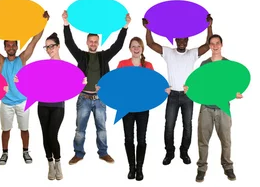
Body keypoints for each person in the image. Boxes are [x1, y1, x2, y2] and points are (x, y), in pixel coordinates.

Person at [0, 11, 48, 165]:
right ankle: (4, 153)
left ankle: (25, 152)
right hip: (6, 103)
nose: (10, 47)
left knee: (24, 130)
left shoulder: (22, 59)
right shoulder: (1, 61)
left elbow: (34, 42)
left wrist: (44, 22)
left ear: (16, 46)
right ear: (5, 47)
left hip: (22, 101)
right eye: (8, 45)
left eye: (13, 44)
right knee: (6, 130)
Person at [142, 14, 212, 165]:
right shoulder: (168, 52)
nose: (182, 42)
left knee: (187, 126)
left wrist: (209, 26)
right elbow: (150, 43)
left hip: (188, 96)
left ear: (187, 41)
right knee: (169, 126)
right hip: (173, 95)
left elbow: (208, 45)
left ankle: (184, 152)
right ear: (175, 41)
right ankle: (169, 152)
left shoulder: (192, 53)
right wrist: (147, 28)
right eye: (179, 40)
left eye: (184, 40)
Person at [62, 10, 130, 165]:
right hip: (84, 98)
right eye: (90, 41)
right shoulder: (81, 56)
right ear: (87, 42)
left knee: (102, 129)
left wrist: (125, 26)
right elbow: (69, 43)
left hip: (100, 99)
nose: (93, 44)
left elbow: (118, 45)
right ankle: (78, 153)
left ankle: (103, 153)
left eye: (95, 41)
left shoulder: (103, 56)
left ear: (98, 43)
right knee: (80, 130)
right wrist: (66, 23)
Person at [184, 34, 238, 183]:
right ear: (209, 46)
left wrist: (236, 93)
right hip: (206, 108)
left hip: (223, 108)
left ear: (221, 44)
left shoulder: (228, 64)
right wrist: (190, 89)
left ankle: (227, 166)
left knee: (226, 141)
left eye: (217, 43)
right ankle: (201, 168)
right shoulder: (204, 64)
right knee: (203, 140)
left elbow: (232, 85)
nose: (215, 46)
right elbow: (200, 85)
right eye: (212, 43)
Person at [116, 37, 154, 181]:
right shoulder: (122, 64)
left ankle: (140, 168)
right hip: (126, 107)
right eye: (133, 46)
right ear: (130, 48)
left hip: (143, 108)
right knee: (129, 138)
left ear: (142, 48)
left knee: (142, 139)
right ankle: (131, 167)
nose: (136, 48)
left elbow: (153, 86)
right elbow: (115, 83)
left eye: (138, 46)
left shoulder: (148, 65)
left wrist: (164, 89)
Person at [38, 32, 65, 180]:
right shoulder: (43, 66)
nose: (49, 49)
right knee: (45, 135)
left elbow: (71, 85)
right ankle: (50, 164)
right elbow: (34, 84)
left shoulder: (67, 67)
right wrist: (20, 80)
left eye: (51, 46)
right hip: (42, 104)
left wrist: (82, 82)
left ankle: (58, 163)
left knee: (52, 135)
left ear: (58, 46)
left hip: (58, 106)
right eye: (47, 47)